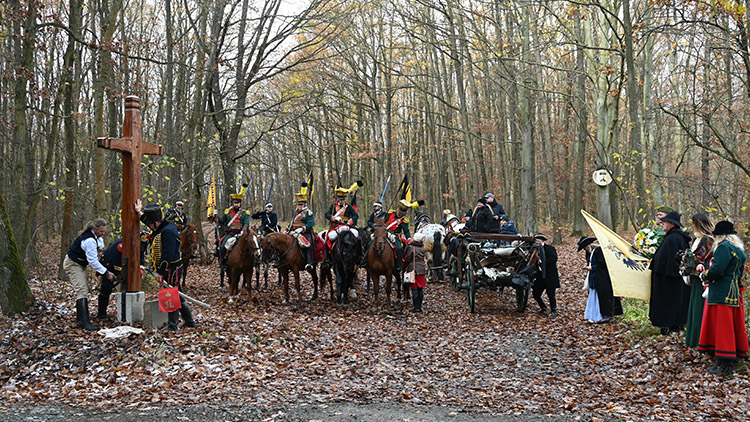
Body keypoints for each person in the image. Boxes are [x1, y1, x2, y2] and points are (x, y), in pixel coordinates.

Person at [697, 221, 748, 374]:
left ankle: (724, 362)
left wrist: (704, 275)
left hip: (721, 292)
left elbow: (717, 270)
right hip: (734, 292)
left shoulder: (723, 248)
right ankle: (724, 360)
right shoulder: (738, 250)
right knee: (730, 327)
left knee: (723, 328)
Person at [136, 199, 195, 331]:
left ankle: (173, 325)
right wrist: (139, 213)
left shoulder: (168, 231)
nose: (150, 226)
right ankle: (190, 321)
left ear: (156, 223)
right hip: (168, 267)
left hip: (171, 268)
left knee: (171, 294)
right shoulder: (162, 227)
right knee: (177, 294)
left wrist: (160, 272)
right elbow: (150, 223)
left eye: (151, 224)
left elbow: (167, 254)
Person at [63, 218, 115, 330]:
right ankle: (83, 322)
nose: (103, 233)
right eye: (101, 231)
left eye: (104, 231)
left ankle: (84, 318)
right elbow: (92, 261)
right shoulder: (89, 240)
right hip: (73, 264)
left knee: (84, 289)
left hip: (80, 264)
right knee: (82, 290)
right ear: (94, 229)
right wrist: (105, 272)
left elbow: (99, 248)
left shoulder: (95, 237)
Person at [649, 211, 691, 334]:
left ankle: (671, 325)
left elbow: (672, 261)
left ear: (672, 224)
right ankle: (670, 324)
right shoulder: (672, 237)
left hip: (670, 280)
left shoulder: (674, 238)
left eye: (664, 222)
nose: (662, 224)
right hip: (667, 278)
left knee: (671, 303)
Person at [684, 214, 714, 348]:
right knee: (694, 308)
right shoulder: (697, 239)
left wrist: (692, 261)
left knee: (699, 310)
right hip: (695, 278)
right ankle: (693, 339)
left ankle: (699, 341)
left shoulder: (708, 240)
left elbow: (704, 259)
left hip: (702, 279)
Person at [580, 236, 623, 323]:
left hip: (603, 278)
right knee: (594, 296)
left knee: (603, 296)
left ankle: (605, 315)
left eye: (585, 248)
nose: (585, 250)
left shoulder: (599, 251)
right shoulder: (589, 253)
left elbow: (603, 264)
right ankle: (594, 315)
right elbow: (590, 261)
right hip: (594, 277)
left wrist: (592, 267)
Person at [215, 184, 250, 262]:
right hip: (231, 233)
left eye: (238, 203)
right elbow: (222, 220)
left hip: (242, 233)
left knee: (252, 245)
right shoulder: (228, 212)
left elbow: (246, 223)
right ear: (233, 204)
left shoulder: (245, 213)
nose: (236, 204)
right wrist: (216, 216)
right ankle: (223, 261)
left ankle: (254, 261)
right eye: (235, 203)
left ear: (240, 204)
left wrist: (243, 231)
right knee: (223, 246)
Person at [384, 199, 421, 272]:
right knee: (371, 242)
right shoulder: (389, 213)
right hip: (384, 233)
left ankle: (398, 265)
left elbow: (406, 232)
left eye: (403, 214)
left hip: (395, 236)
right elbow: (382, 220)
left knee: (399, 248)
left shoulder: (404, 220)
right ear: (398, 210)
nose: (401, 215)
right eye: (401, 213)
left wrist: (409, 239)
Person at [533, 234, 560, 316]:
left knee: (551, 293)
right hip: (540, 276)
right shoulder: (533, 250)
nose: (537, 242)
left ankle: (554, 309)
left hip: (549, 275)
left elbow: (553, 259)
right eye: (535, 241)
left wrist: (541, 261)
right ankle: (544, 307)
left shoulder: (550, 249)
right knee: (536, 293)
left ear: (542, 241)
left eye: (538, 241)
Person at [289, 191, 315, 270]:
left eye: (301, 205)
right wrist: (288, 228)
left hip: (305, 232)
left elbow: (310, 224)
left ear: (305, 205)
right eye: (298, 205)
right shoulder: (296, 212)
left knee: (307, 245)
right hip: (294, 231)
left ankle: (309, 262)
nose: (299, 206)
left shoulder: (309, 213)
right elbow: (292, 222)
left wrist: (302, 229)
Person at [404, 232, 428, 313]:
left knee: (414, 289)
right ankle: (419, 307)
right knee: (420, 289)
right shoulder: (423, 248)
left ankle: (416, 307)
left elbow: (407, 258)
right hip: (421, 269)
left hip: (413, 270)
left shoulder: (411, 247)